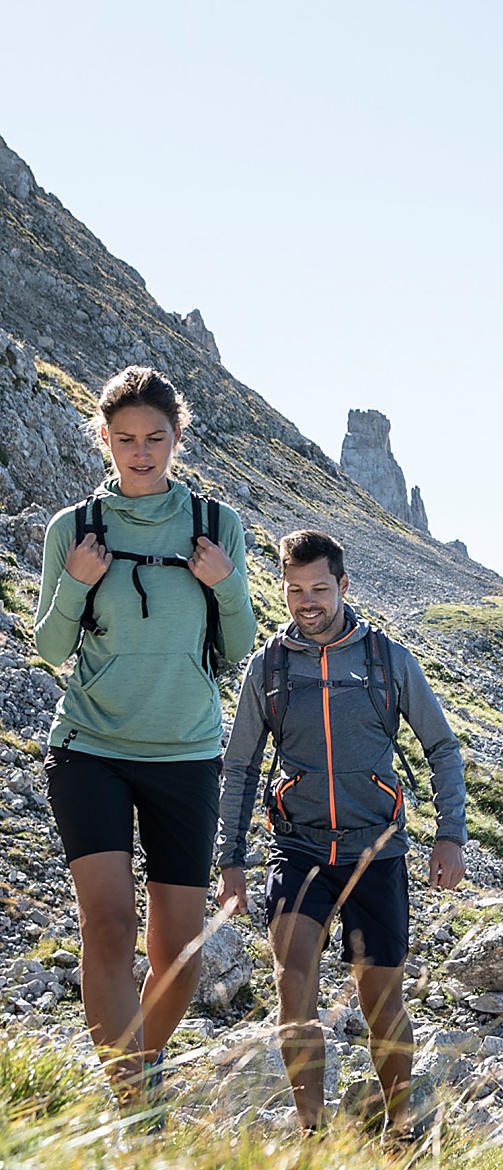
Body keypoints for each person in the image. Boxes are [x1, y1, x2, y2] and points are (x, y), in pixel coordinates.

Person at [35, 365, 256, 1107]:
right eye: (125, 438)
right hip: (89, 748)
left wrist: (224, 583)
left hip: (186, 754)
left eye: (155, 438)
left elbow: (237, 648)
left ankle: (144, 1066)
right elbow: (49, 647)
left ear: (177, 438)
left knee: (180, 954)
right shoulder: (74, 528)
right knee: (108, 923)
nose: (140, 452)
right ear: (103, 438)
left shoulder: (216, 525)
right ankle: (134, 1105)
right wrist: (76, 579)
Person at [216, 529, 466, 1145]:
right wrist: (231, 860)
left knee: (380, 999)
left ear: (343, 586)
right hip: (297, 848)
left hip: (375, 852)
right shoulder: (269, 668)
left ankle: (402, 1132)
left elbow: (442, 748)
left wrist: (450, 836)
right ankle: (310, 1132)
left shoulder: (386, 660)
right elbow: (241, 766)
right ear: (282, 588)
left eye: (320, 589)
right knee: (292, 978)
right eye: (296, 589)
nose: (308, 601)